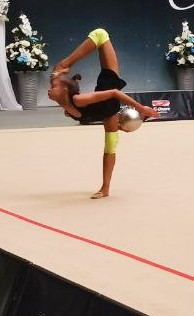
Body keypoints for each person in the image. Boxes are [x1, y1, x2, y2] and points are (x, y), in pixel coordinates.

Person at [47, 28, 159, 199]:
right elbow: (92, 115)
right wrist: (121, 126)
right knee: (111, 145)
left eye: (53, 87)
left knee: (100, 33)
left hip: (109, 84)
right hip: (108, 111)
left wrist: (142, 108)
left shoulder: (78, 100)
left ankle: (65, 65)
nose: (49, 89)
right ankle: (105, 188)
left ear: (63, 91)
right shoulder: (68, 109)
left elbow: (115, 92)